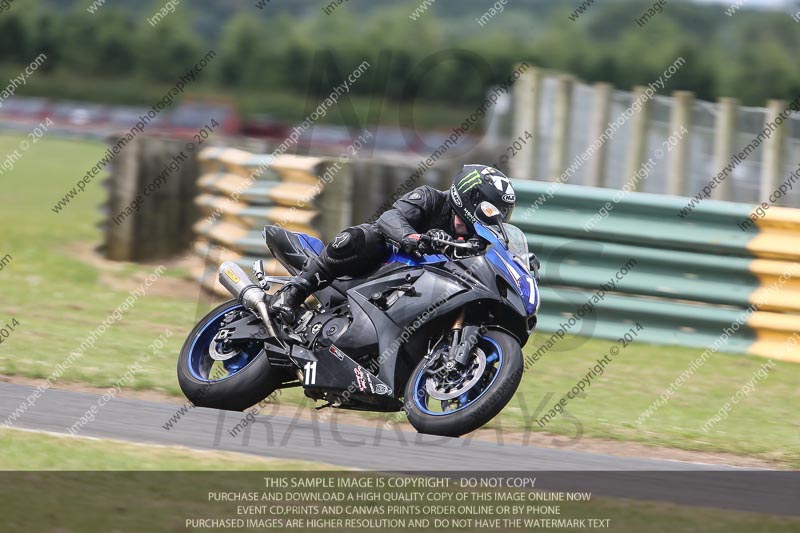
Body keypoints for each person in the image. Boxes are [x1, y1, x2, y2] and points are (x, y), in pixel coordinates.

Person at [269, 164, 517, 323]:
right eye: (492, 209)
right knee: (364, 237)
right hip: (385, 265)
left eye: (502, 214)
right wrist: (413, 238)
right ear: (471, 196)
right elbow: (391, 218)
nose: (497, 218)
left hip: (423, 294)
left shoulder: (477, 244)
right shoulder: (430, 199)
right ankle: (295, 292)